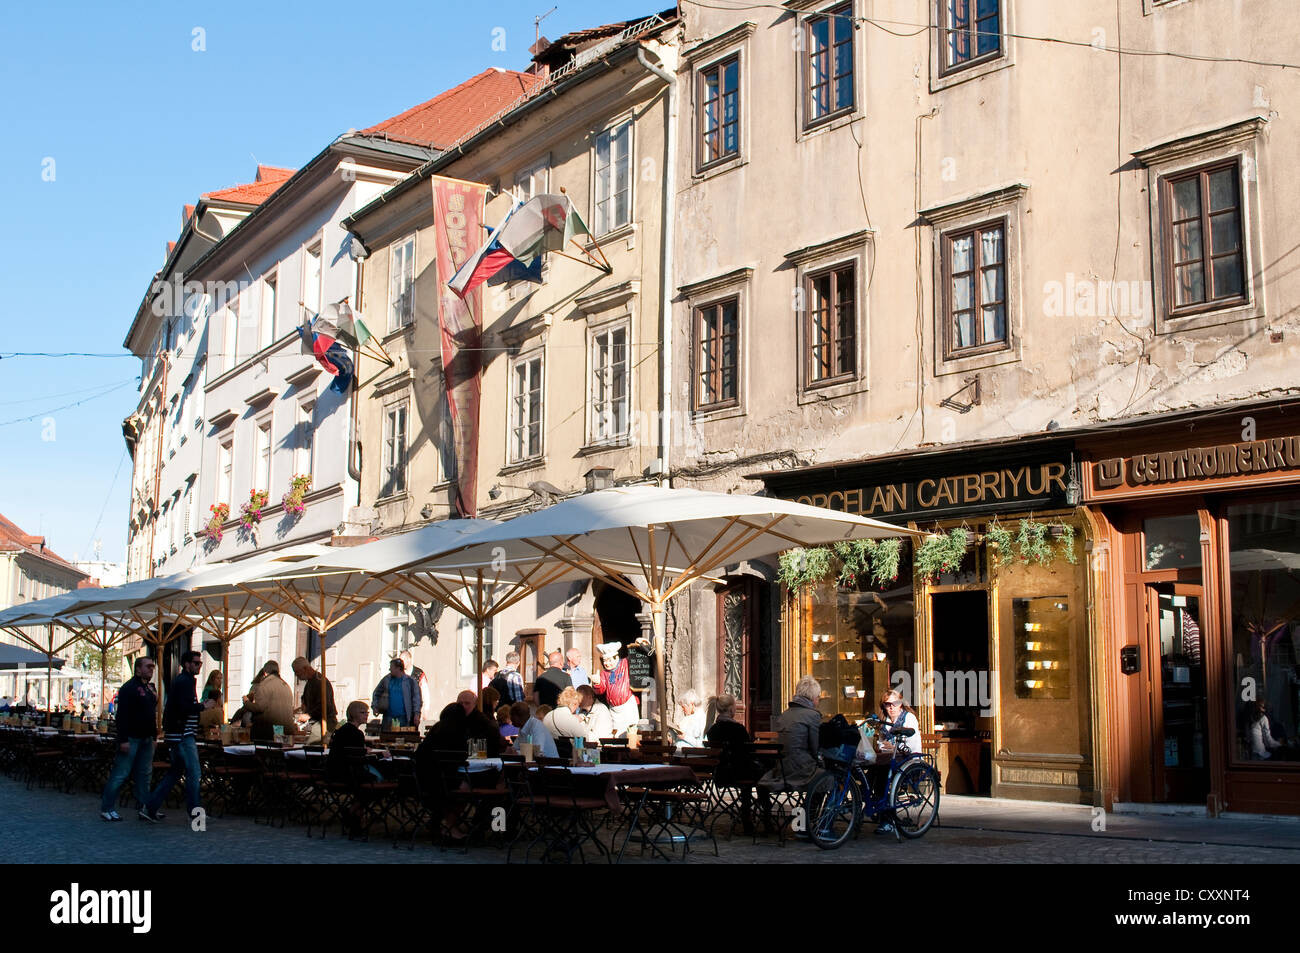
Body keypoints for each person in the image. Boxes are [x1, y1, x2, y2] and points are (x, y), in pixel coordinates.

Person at [142, 651, 216, 823]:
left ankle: (150, 807)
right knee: (194, 772)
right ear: (187, 664)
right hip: (182, 734)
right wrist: (203, 706)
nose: (199, 666)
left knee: (175, 772)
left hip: (179, 733)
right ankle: (195, 813)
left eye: (200, 663)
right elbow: (183, 708)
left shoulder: (184, 681)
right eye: (196, 663)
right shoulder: (184, 682)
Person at [99, 657, 158, 821]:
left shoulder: (149, 689)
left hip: (146, 738)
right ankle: (107, 807)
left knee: (145, 774)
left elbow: (150, 715)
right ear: (138, 669)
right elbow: (122, 716)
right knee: (121, 773)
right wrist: (123, 739)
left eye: (152, 667)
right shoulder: (129, 688)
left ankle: (145, 807)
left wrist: (154, 736)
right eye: (148, 667)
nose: (151, 670)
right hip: (131, 738)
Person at [759, 675, 823, 796]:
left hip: (782, 769)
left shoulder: (784, 715)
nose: (818, 701)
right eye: (818, 697)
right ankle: (812, 811)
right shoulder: (813, 715)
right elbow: (816, 748)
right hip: (802, 770)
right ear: (813, 697)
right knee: (828, 777)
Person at [871, 689, 922, 835]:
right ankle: (876, 802)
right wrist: (884, 747)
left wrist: (893, 747)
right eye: (887, 704)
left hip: (909, 760)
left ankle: (885, 817)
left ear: (901, 704)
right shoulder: (884, 722)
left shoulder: (909, 718)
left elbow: (911, 745)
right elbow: (881, 743)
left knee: (882, 774)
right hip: (889, 759)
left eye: (895, 703)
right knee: (875, 768)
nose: (891, 707)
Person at [706, 693, 759, 834]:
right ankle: (759, 813)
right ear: (731, 709)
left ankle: (750, 813)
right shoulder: (738, 729)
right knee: (762, 774)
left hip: (721, 774)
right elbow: (749, 751)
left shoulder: (712, 730)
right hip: (740, 773)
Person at [591, 640, 646, 735]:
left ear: (616, 658)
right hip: (614, 710)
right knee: (616, 734)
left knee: (631, 733)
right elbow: (601, 690)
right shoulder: (604, 673)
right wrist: (597, 683)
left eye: (609, 660)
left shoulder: (625, 663)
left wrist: (639, 644)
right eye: (605, 661)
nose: (607, 664)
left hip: (627, 706)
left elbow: (637, 657)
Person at [242, 660, 294, 741]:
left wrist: (246, 702)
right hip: (285, 732)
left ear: (265, 672)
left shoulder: (264, 685)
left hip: (268, 733)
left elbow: (259, 707)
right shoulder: (286, 686)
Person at [292, 656, 337, 741]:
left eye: (297, 672)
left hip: (325, 722)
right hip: (317, 722)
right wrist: (302, 707)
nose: (296, 675)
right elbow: (305, 699)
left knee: (313, 746)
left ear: (305, 669)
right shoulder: (310, 682)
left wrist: (308, 715)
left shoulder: (319, 681)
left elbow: (325, 705)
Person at [372, 658, 421, 728]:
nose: (390, 669)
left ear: (398, 668)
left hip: (404, 718)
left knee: (402, 737)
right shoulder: (386, 679)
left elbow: (416, 699)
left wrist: (416, 714)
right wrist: (375, 706)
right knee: (387, 736)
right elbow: (376, 693)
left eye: (391, 667)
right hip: (388, 718)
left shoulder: (410, 681)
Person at [457, 689, 504, 755]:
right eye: (460, 703)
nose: (463, 706)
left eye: (467, 703)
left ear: (474, 704)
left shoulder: (482, 721)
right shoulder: (451, 720)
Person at [543, 686, 586, 756]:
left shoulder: (548, 715)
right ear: (573, 704)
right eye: (577, 705)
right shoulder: (572, 719)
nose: (577, 709)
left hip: (548, 756)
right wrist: (581, 722)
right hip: (568, 758)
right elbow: (584, 739)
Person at [399, 649, 430, 726]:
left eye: (402, 661)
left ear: (409, 659)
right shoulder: (398, 674)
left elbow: (425, 693)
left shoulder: (419, 674)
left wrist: (425, 710)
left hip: (414, 712)